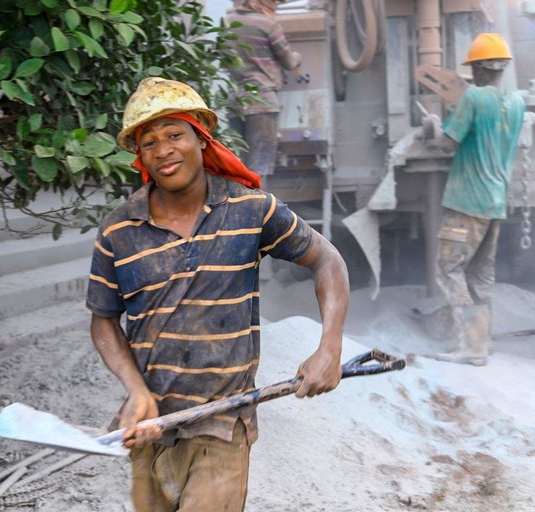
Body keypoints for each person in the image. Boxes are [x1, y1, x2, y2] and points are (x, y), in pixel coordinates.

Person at [86, 77, 349, 511]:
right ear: (140, 157)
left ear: (201, 140)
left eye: (175, 134)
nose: (164, 149)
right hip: (151, 425)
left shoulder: (252, 210)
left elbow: (328, 261)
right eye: (149, 142)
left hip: (222, 426)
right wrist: (136, 391)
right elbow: (104, 320)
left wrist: (330, 348)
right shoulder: (119, 230)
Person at [430, 33, 525, 366]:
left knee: (448, 268)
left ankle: (471, 346)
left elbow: (447, 143)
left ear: (481, 68)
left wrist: (432, 126)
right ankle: (483, 343)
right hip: (496, 201)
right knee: (481, 276)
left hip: (467, 201)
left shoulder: (473, 98)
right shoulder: (515, 102)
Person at [225, 0, 301, 181]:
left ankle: (239, 206)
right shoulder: (268, 24)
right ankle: (258, 208)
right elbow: (289, 62)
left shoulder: (227, 23)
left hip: (235, 102)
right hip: (262, 102)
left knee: (238, 167)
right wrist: (298, 57)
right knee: (259, 167)